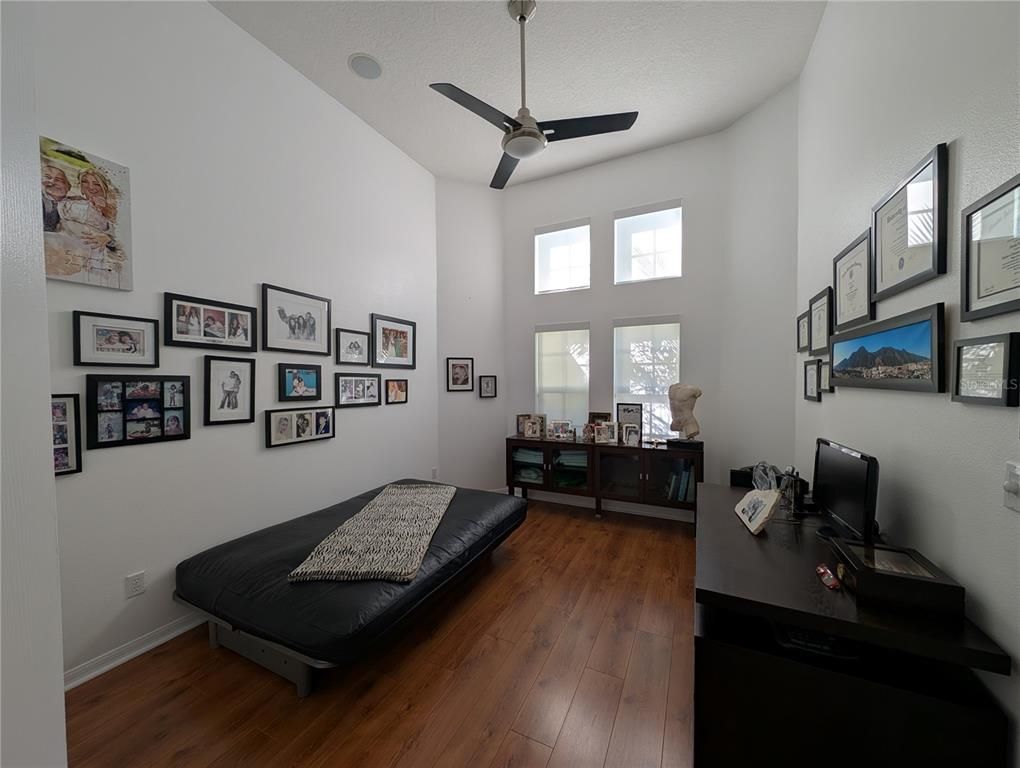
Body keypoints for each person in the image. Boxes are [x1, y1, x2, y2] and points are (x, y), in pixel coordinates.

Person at [41, 164, 71, 232]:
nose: (52, 181)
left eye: (58, 180)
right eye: (47, 177)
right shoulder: (41, 200)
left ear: (68, 186)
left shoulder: (73, 203)